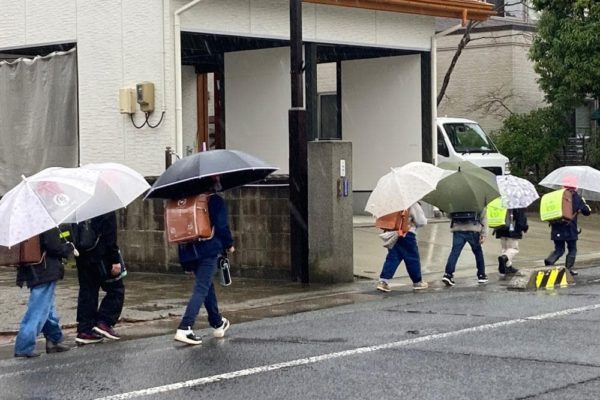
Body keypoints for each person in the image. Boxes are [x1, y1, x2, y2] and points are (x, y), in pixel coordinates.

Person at [174, 177, 234, 345]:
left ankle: (217, 322)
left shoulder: (184, 201)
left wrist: (184, 261)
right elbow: (221, 226)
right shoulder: (213, 200)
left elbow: (179, 229)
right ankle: (185, 327)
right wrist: (229, 245)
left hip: (188, 250)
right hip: (208, 250)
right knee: (201, 288)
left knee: (206, 285)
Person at [14, 228, 73, 358]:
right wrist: (68, 247)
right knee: (38, 310)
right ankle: (23, 346)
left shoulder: (26, 224)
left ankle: (54, 339)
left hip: (32, 269)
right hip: (45, 269)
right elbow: (53, 246)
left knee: (47, 307)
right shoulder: (45, 223)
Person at [73, 211, 125, 344]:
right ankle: (104, 322)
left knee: (87, 291)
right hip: (102, 256)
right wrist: (115, 260)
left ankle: (85, 329)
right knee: (116, 289)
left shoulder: (78, 206)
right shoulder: (105, 207)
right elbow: (109, 235)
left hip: (83, 255)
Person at [376, 202, 429, 292]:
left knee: (393, 257)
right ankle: (417, 282)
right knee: (412, 258)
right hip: (407, 233)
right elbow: (421, 221)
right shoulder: (412, 203)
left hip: (393, 233)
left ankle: (383, 281)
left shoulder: (392, 202)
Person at [544, 176, 591, 276]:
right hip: (570, 229)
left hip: (556, 227)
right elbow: (587, 212)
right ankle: (569, 268)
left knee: (559, 249)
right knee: (572, 249)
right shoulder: (577, 197)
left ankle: (549, 261)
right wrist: (583, 203)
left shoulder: (557, 195)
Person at [442, 208, 488, 286]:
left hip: (458, 229)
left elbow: (449, 215)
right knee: (478, 252)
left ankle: (448, 274)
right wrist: (484, 233)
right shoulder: (477, 201)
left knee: (455, 252)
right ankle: (481, 275)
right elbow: (483, 216)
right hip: (473, 228)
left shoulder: (455, 201)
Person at [494, 208, 528, 278]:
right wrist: (524, 227)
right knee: (513, 249)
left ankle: (508, 266)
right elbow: (521, 219)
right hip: (512, 230)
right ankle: (505, 258)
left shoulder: (501, 203)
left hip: (501, 229)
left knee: (505, 249)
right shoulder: (517, 205)